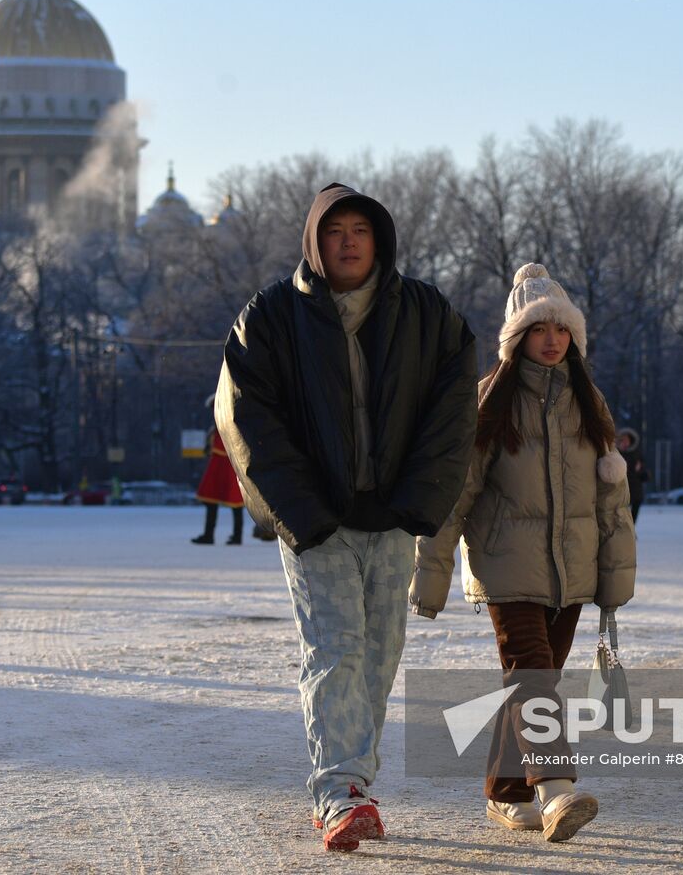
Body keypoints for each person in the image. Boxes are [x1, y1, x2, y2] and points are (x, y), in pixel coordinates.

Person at [216, 182, 478, 852]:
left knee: (380, 656)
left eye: (361, 229)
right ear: (315, 241)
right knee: (334, 649)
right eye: (336, 231)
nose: (349, 241)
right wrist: (301, 512)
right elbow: (246, 418)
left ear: (380, 240)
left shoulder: (425, 313)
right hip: (317, 519)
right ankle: (340, 790)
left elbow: (453, 415)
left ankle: (353, 780)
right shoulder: (272, 318)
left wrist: (417, 500)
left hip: (390, 515)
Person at [410, 263, 635, 843]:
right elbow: (455, 495)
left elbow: (612, 499)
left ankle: (506, 794)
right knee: (534, 679)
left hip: (572, 573)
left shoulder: (589, 403)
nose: (553, 339)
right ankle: (555, 791)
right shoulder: (488, 402)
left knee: (531, 683)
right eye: (540, 329)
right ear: (517, 338)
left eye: (562, 329)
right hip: (506, 567)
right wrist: (430, 575)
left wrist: (615, 578)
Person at [193, 395, 245, 545]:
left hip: (227, 467)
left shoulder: (227, 424)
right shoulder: (217, 427)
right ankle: (211, 535)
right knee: (214, 503)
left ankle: (235, 536)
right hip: (218, 466)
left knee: (235, 504)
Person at [616, 426, 650, 522]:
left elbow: (644, 472)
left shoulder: (637, 453)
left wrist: (640, 470)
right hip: (621, 490)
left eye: (627, 440)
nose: (625, 442)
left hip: (635, 490)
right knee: (621, 515)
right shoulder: (615, 453)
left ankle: (631, 531)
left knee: (633, 516)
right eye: (622, 440)